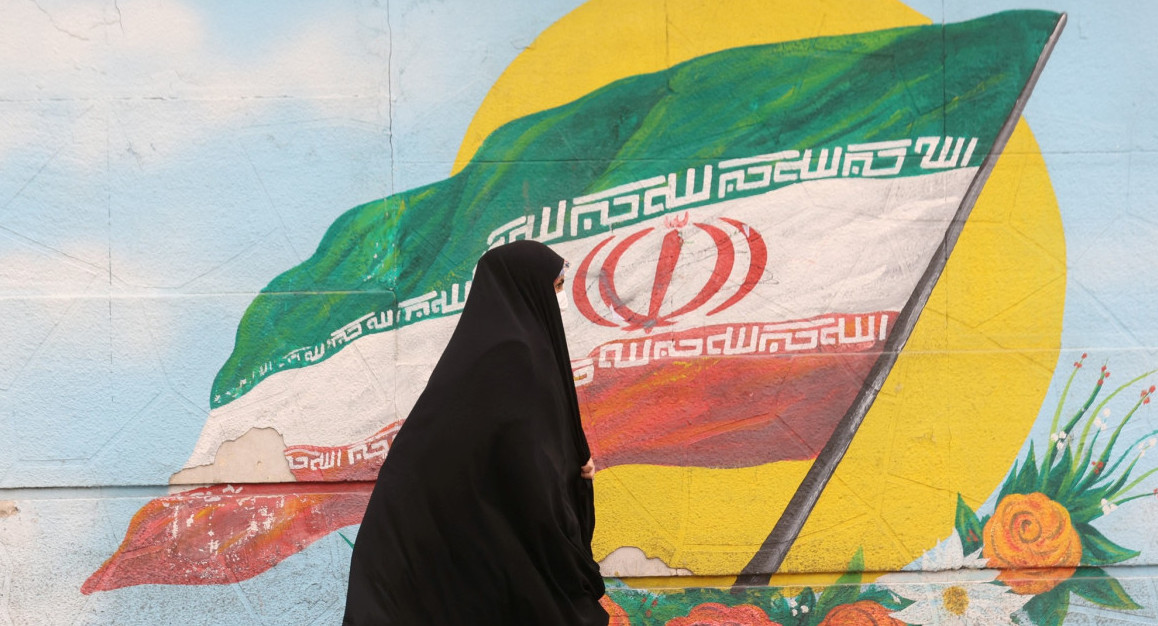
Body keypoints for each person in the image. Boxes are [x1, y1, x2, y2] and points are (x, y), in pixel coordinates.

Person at [343, 240, 608, 625]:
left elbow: (521, 444)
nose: (561, 298)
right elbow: (524, 455)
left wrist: (573, 464)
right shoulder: (511, 357)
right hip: (470, 534)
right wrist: (562, 496)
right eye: (556, 286)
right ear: (527, 287)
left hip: (463, 535)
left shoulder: (495, 350)